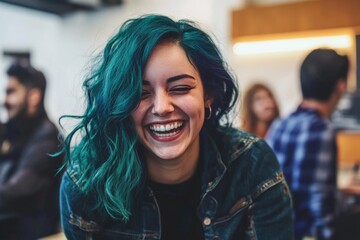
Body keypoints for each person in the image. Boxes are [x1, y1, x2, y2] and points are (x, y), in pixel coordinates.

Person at [60, 14, 294, 239]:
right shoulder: (85, 182)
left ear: (208, 94)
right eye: (140, 93)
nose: (162, 107)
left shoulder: (251, 164)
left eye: (180, 88)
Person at [266, 48, 349, 240]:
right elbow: (319, 207)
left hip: (275, 230)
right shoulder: (321, 129)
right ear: (341, 86)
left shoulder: (281, 124)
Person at [0, 61, 64, 239]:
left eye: (11, 92)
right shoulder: (15, 131)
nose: (4, 100)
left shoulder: (47, 137)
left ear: (34, 97)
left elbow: (18, 191)